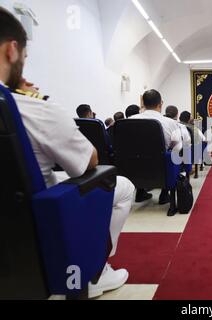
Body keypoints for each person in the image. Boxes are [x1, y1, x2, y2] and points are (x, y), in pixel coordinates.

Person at [0, 7, 134, 298]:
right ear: (12, 50)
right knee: (121, 186)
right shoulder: (32, 107)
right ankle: (94, 270)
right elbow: (88, 162)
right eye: (24, 57)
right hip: (35, 220)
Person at [131, 90, 187, 210]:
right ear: (160, 104)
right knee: (171, 155)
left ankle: (140, 191)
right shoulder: (171, 123)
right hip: (161, 169)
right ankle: (164, 193)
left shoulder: (129, 120)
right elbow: (178, 147)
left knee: (139, 154)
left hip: (133, 169)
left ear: (143, 103)